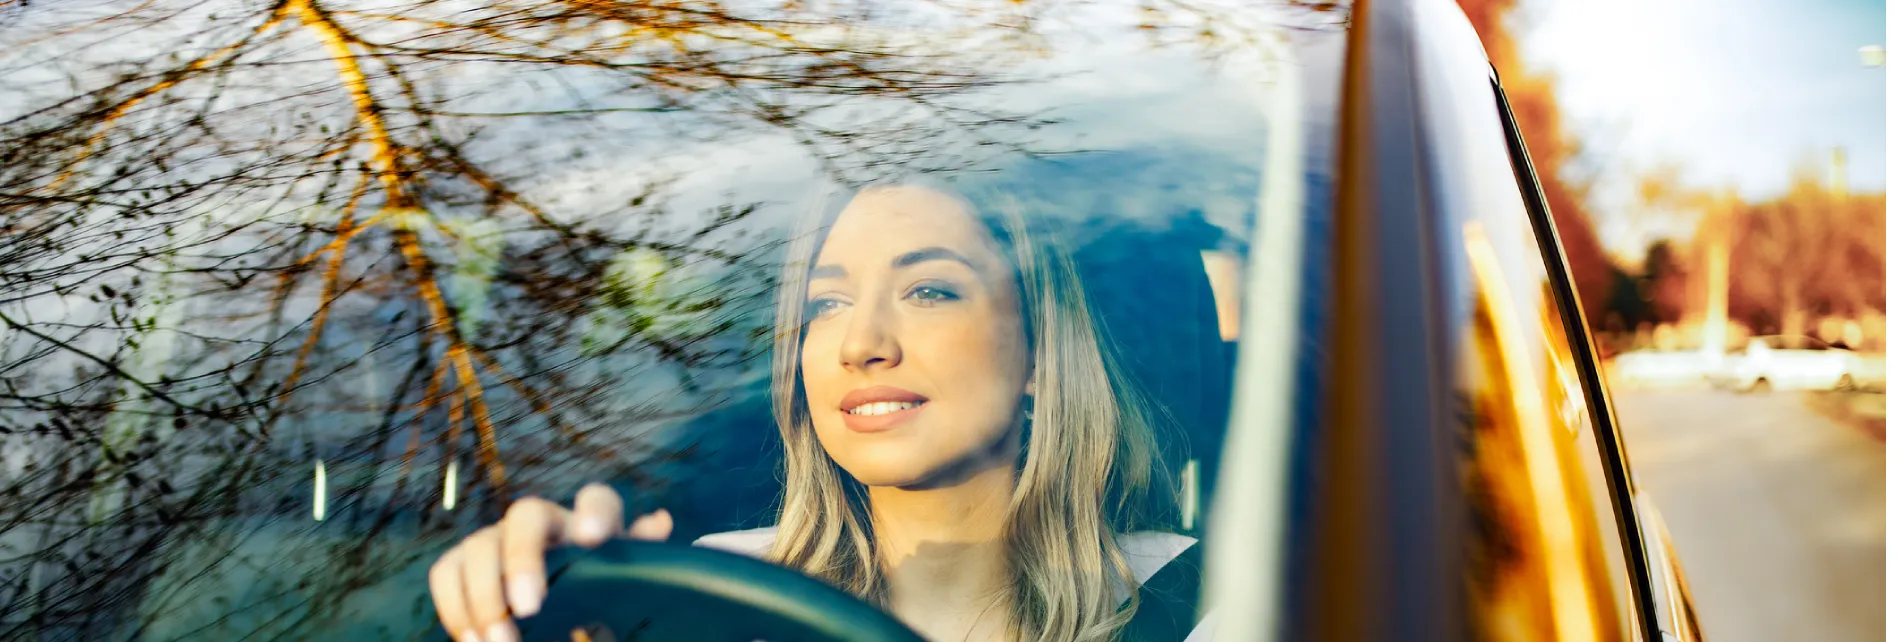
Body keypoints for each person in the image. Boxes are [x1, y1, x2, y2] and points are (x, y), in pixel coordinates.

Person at [428, 178, 1209, 642]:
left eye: (929, 290)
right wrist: (552, 595)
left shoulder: (1204, 604)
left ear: (1037, 353)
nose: (860, 344)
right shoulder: (700, 598)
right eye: (825, 304)